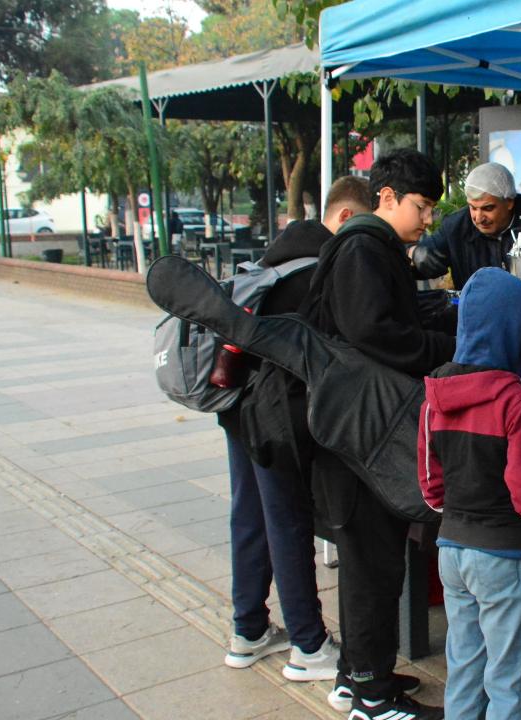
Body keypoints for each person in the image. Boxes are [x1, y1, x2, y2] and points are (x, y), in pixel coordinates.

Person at [304, 149, 454, 720]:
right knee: (372, 562)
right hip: (358, 437)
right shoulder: (364, 248)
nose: (427, 220)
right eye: (421, 206)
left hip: (357, 430)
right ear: (386, 197)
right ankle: (370, 698)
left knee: (372, 558)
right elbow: (376, 333)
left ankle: (357, 677)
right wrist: (447, 345)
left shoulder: (372, 248)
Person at [417, 267, 521, 720]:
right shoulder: (519, 403)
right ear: (517, 334)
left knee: (463, 663)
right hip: (504, 557)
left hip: (452, 552)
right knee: (508, 676)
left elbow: (431, 490)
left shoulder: (433, 400)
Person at [219, 219, 341, 680]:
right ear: (344, 219)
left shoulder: (263, 268)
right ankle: (309, 646)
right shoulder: (312, 275)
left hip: (235, 410)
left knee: (248, 518)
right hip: (272, 420)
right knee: (287, 523)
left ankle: (248, 631)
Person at [410, 162, 521, 289]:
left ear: (509, 202)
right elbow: (421, 260)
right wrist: (413, 254)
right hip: (477, 317)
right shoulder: (455, 227)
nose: (478, 218)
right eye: (472, 207)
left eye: (488, 208)